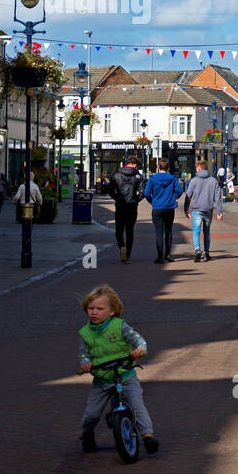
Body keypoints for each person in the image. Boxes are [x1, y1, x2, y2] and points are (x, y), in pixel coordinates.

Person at [77, 284, 159, 455]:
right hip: (102, 379)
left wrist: (139, 349)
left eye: (100, 308)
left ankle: (148, 436)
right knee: (91, 414)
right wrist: (85, 363)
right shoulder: (85, 333)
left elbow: (138, 339)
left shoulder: (120, 325)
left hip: (125, 375)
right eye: (90, 308)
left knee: (136, 405)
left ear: (112, 311)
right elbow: (83, 354)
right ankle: (87, 434)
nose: (94, 312)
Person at [143, 156, 184, 263]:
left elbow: (146, 193)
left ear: (158, 166)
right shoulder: (173, 178)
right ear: (168, 168)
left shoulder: (152, 179)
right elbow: (179, 191)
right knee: (168, 231)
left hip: (157, 208)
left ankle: (160, 256)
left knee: (158, 233)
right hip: (169, 208)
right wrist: (173, 198)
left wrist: (152, 201)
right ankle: (168, 254)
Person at [183, 160, 224, 262]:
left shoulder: (194, 180)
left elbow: (188, 195)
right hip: (208, 209)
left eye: (197, 168)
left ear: (199, 168)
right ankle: (206, 253)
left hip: (197, 209)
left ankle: (197, 250)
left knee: (196, 231)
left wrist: (186, 210)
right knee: (207, 232)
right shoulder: (213, 180)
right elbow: (217, 197)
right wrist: (219, 212)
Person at [109, 155, 145, 264]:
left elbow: (109, 188)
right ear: (134, 165)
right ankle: (128, 255)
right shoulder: (138, 176)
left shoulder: (117, 174)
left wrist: (116, 198)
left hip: (120, 205)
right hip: (132, 206)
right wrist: (136, 200)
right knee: (130, 230)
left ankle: (121, 246)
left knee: (119, 230)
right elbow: (143, 192)